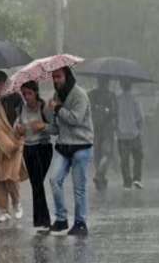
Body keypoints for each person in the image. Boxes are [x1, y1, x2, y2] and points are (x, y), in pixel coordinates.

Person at [46, 66, 95, 236]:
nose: (56, 80)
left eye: (58, 76)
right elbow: (55, 127)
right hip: (63, 145)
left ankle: (80, 223)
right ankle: (61, 219)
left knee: (79, 187)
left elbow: (75, 119)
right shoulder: (56, 96)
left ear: (67, 76)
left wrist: (58, 109)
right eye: (53, 77)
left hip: (81, 145)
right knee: (54, 180)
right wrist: (41, 126)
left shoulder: (79, 95)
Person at [0, 71, 28, 223]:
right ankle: (4, 210)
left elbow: (22, 116)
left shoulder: (15, 97)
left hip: (13, 141)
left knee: (10, 175)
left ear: (1, 83)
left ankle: (16, 203)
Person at [18, 80, 54, 231]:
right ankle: (41, 221)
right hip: (28, 148)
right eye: (24, 94)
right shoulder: (22, 108)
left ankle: (43, 220)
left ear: (36, 93)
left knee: (38, 183)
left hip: (43, 148)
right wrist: (19, 129)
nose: (27, 97)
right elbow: (17, 126)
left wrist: (42, 127)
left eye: (29, 93)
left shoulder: (44, 107)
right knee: (35, 184)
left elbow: (54, 127)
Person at [88, 77, 117, 191]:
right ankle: (99, 175)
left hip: (95, 128)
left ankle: (100, 178)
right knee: (107, 154)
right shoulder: (111, 95)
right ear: (107, 83)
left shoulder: (91, 95)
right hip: (107, 129)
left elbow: (87, 111)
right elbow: (115, 113)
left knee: (98, 153)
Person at [117, 80, 145, 189]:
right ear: (131, 86)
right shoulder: (135, 100)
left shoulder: (117, 100)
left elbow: (114, 115)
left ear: (121, 85)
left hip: (121, 134)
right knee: (138, 157)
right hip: (134, 134)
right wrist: (139, 129)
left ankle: (126, 181)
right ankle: (137, 179)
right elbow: (140, 117)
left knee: (124, 160)